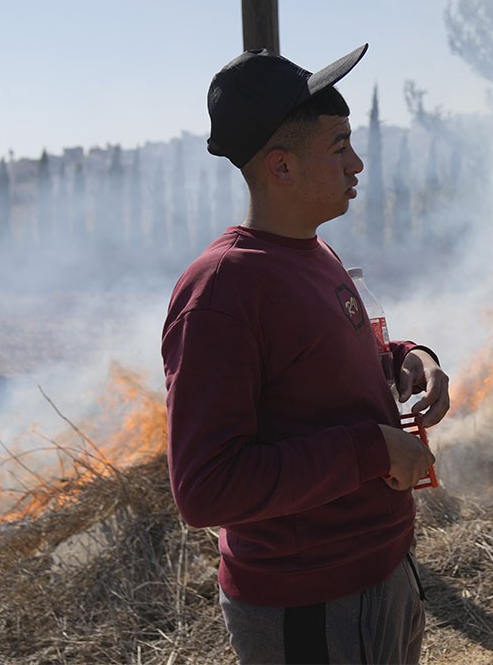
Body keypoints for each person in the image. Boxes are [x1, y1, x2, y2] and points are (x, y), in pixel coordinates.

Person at [162, 44, 450, 665]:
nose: (358, 162)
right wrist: (373, 450)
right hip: (310, 607)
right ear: (282, 167)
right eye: (339, 144)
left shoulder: (314, 253)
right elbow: (206, 489)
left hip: (382, 573)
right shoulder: (221, 290)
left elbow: (323, 371)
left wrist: (407, 360)